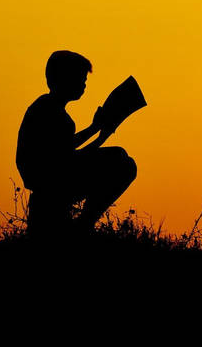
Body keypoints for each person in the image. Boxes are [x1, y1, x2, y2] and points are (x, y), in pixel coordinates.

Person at [17, 50, 137, 236]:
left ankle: (83, 224)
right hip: (51, 179)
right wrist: (99, 136)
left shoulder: (47, 107)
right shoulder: (49, 111)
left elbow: (66, 149)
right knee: (124, 164)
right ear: (64, 79)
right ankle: (84, 224)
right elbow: (64, 159)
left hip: (49, 176)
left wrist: (95, 129)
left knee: (120, 157)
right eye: (80, 79)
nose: (84, 84)